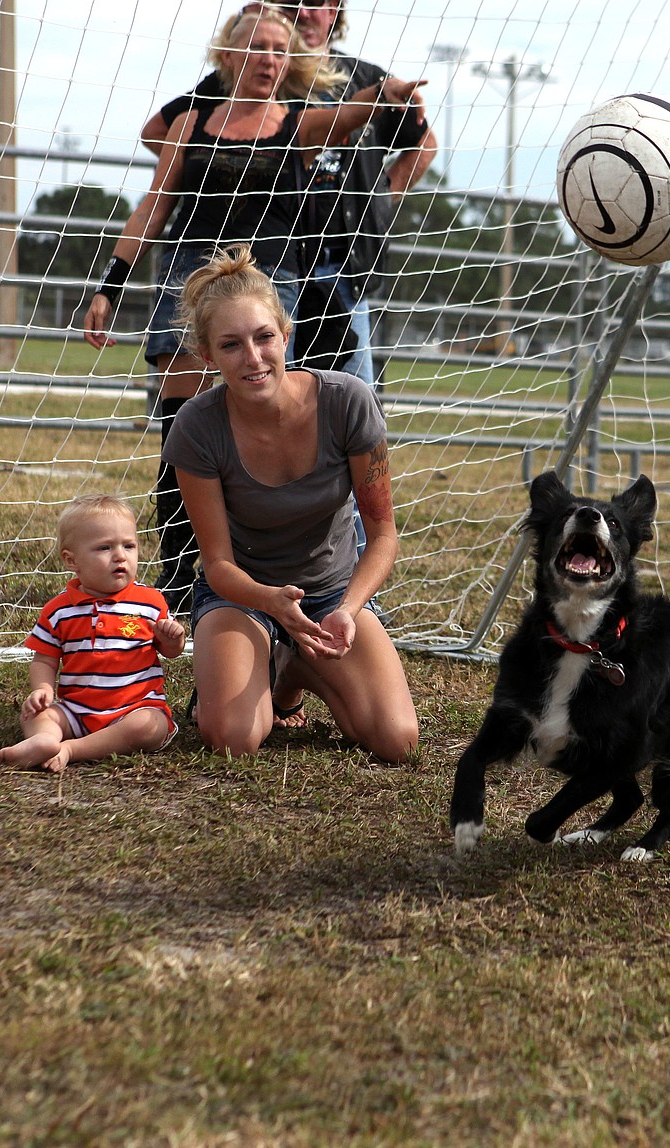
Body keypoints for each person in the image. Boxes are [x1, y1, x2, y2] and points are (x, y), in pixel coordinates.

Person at [86, 4, 428, 613]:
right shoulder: (190, 120)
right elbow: (154, 204)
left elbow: (360, 113)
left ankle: (261, 572)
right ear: (228, 56)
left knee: (255, 414)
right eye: (259, 47)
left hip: (272, 279)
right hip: (189, 278)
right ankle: (182, 574)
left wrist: (388, 93)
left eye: (280, 50)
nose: (270, 59)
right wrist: (109, 285)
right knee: (184, 428)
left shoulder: (298, 123)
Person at [161, 244, 419, 763]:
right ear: (208, 357)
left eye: (264, 338)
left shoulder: (347, 401)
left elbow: (384, 533)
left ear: (286, 333)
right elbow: (217, 564)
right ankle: (270, 659)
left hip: (329, 596)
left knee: (396, 739)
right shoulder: (195, 427)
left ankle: (297, 664)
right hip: (243, 595)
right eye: (231, 346)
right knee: (233, 737)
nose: (253, 358)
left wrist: (348, 608)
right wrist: (270, 600)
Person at [141, 1, 437, 387]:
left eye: (314, 4)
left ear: (334, 11)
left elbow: (424, 142)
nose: (302, 13)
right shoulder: (243, 76)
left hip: (339, 265)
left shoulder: (363, 79)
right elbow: (157, 133)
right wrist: (224, 178)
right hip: (265, 261)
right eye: (288, 4)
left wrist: (381, 197)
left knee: (349, 395)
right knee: (268, 391)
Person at [0, 495, 186, 774]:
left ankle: (70, 749)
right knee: (38, 713)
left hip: (135, 709)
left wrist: (174, 638)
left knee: (151, 726)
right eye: (105, 547)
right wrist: (42, 690)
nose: (120, 555)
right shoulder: (58, 609)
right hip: (75, 711)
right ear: (72, 560)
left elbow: (169, 650)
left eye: (129, 546)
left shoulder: (149, 601)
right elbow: (45, 660)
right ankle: (45, 739)